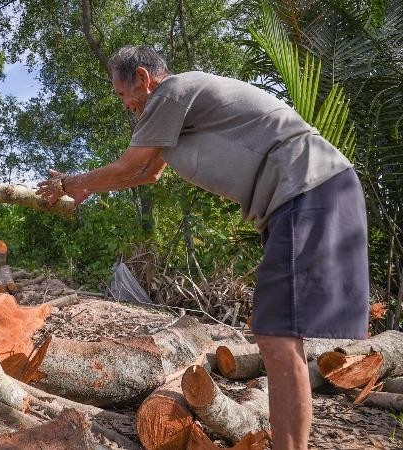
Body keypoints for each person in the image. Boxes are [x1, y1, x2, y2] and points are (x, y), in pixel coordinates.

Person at [36, 46, 369, 450]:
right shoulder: (173, 110)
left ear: (143, 78)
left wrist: (69, 182)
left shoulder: (170, 93)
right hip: (301, 196)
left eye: (122, 93)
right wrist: (87, 186)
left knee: (278, 338)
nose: (125, 104)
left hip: (307, 190)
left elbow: (129, 166)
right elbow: (146, 174)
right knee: (277, 337)